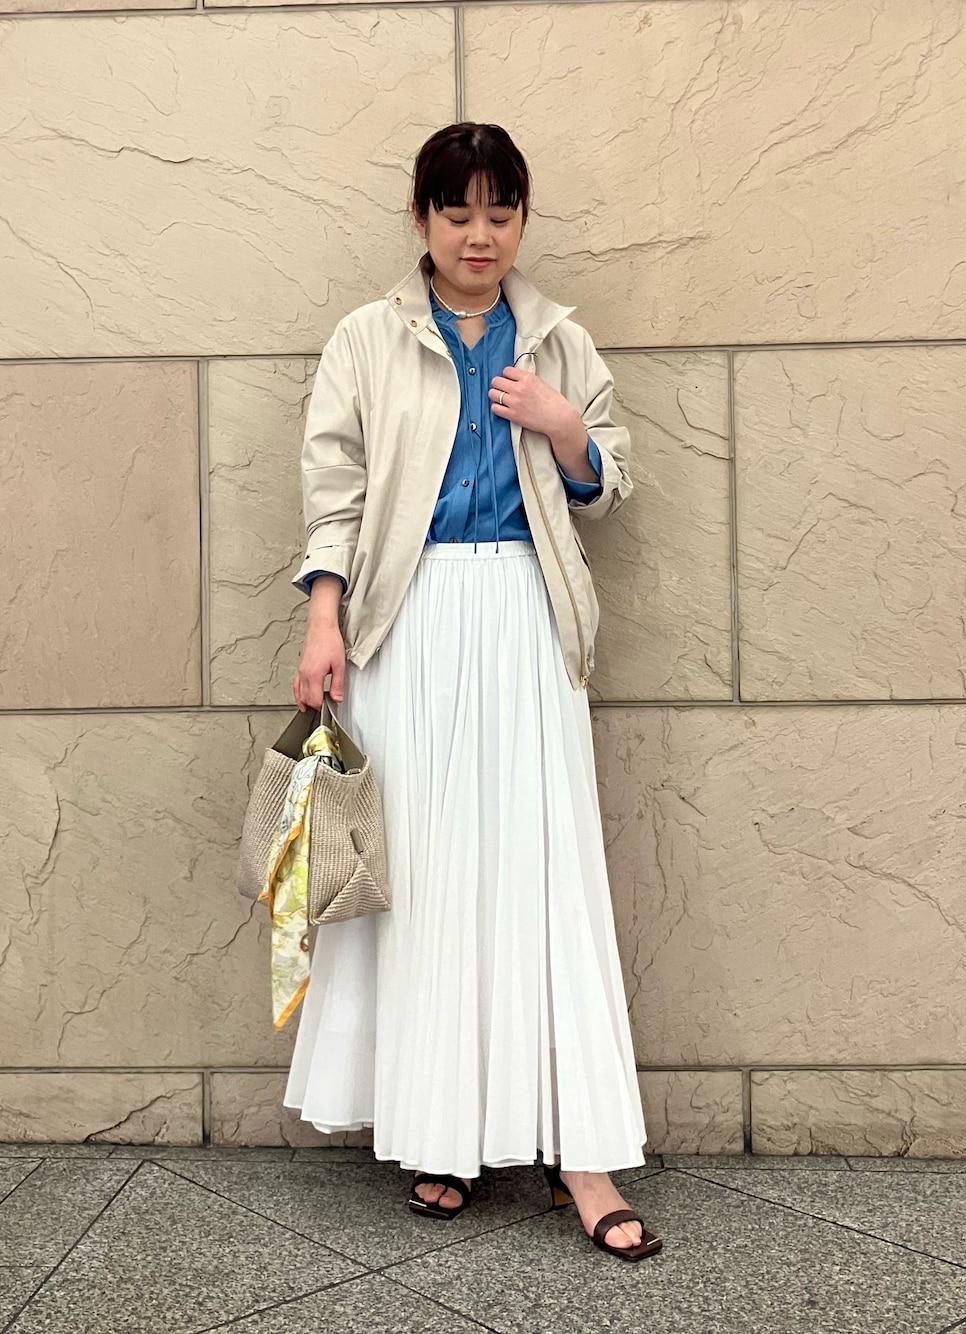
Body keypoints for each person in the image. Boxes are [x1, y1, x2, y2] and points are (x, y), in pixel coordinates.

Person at [286, 122, 661, 1263]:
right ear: (423, 220)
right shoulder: (367, 337)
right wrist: (323, 621)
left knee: (545, 871)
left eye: (500, 212)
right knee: (429, 876)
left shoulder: (556, 339)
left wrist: (563, 427)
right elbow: (336, 490)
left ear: (521, 220)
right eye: (458, 213)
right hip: (407, 623)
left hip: (528, 617)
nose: (480, 234)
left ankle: (582, 1154)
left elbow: (609, 480)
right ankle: (440, 1133)